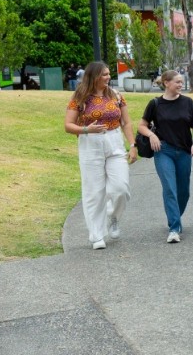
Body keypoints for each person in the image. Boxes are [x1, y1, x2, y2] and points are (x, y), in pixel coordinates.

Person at [66, 61, 137, 250]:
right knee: (94, 191)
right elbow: (68, 125)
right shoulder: (80, 97)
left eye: (108, 74)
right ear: (94, 76)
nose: (108, 77)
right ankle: (96, 234)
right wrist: (86, 129)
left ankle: (113, 216)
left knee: (121, 188)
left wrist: (132, 145)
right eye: (104, 75)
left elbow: (126, 123)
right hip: (90, 143)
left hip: (114, 142)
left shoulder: (115, 95)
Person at [139, 69, 193, 243]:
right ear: (166, 83)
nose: (181, 85)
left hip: (183, 151)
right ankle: (174, 228)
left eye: (182, 82)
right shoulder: (155, 104)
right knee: (169, 188)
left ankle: (174, 217)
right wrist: (152, 135)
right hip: (164, 151)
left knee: (184, 192)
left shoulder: (188, 103)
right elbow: (142, 126)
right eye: (178, 82)